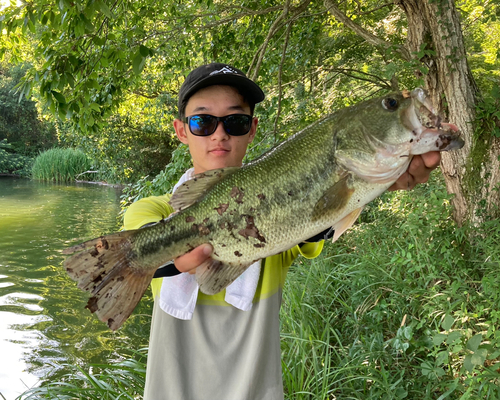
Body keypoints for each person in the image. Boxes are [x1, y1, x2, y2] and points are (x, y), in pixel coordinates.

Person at [123, 63, 441, 400]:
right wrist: (172, 254)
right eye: (203, 122)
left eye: (235, 121)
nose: (220, 134)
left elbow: (316, 223)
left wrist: (378, 179)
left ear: (252, 128)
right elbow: (150, 247)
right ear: (182, 130)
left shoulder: (281, 217)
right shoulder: (153, 210)